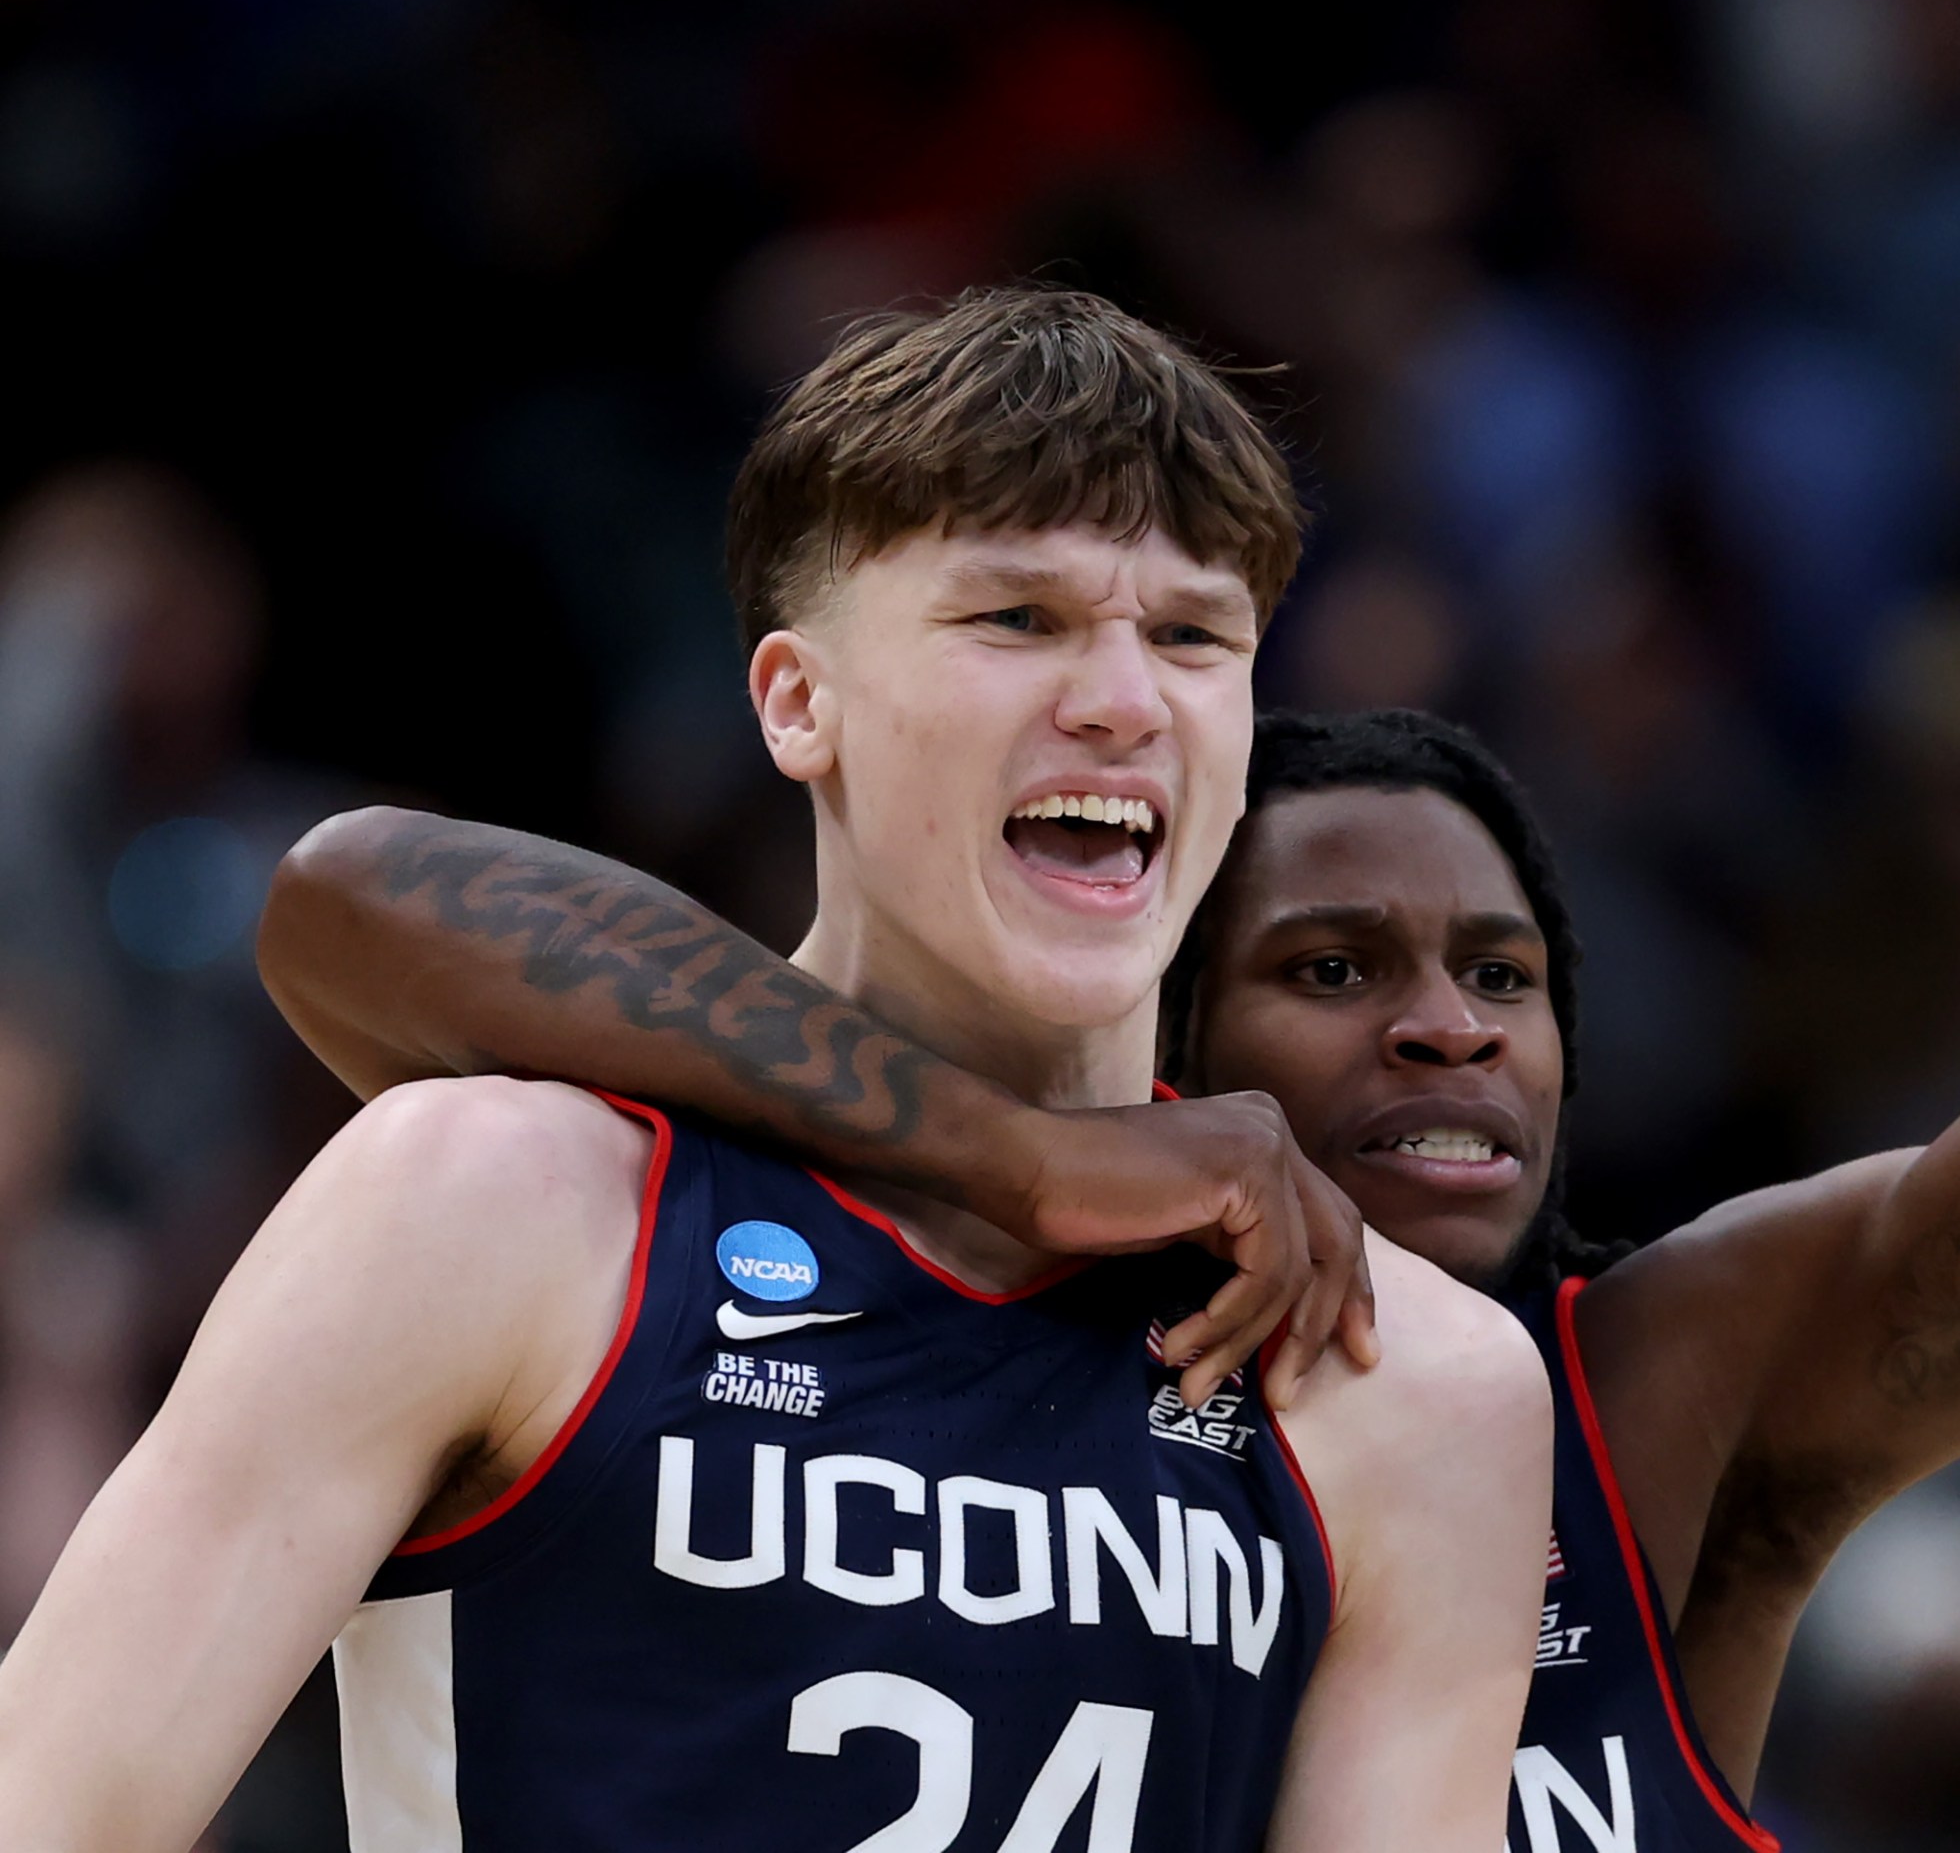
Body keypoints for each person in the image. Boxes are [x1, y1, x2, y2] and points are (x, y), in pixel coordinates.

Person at [259, 179, 1960, 1850]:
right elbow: (373, 910)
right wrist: (1007, 1151)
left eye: (1506, 977)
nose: (1450, 1031)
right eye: (1336, 972)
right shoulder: (927, 1379)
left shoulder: (1656, 1394)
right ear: (1161, 999)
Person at [0, 289, 1554, 1853]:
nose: (1123, 700)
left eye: (1193, 636)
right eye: (1016, 619)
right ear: (798, 702)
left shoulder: (1417, 1383)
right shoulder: (493, 1203)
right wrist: (1023, 1152)